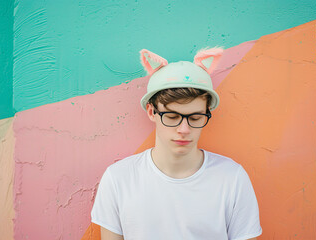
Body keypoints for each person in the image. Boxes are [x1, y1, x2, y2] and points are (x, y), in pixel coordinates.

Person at [91, 48, 262, 240]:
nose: (184, 129)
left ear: (206, 113)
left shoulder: (232, 178)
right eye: (172, 117)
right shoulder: (118, 178)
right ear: (151, 112)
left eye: (195, 117)